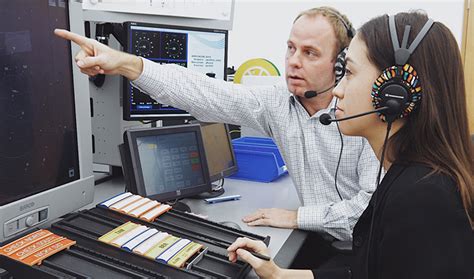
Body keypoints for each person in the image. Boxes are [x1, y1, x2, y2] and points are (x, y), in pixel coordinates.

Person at [54, 7, 380, 242]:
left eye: (310, 53)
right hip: (325, 245)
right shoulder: (280, 104)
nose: (294, 61)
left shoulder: (364, 116)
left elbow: (370, 215)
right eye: (291, 48)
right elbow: (206, 93)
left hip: (364, 255)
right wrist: (124, 63)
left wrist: (298, 217)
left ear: (340, 65)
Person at [227, 11, 474, 279]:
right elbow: (366, 272)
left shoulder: (423, 199)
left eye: (350, 73)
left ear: (394, 94)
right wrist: (277, 274)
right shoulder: (403, 176)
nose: (337, 90)